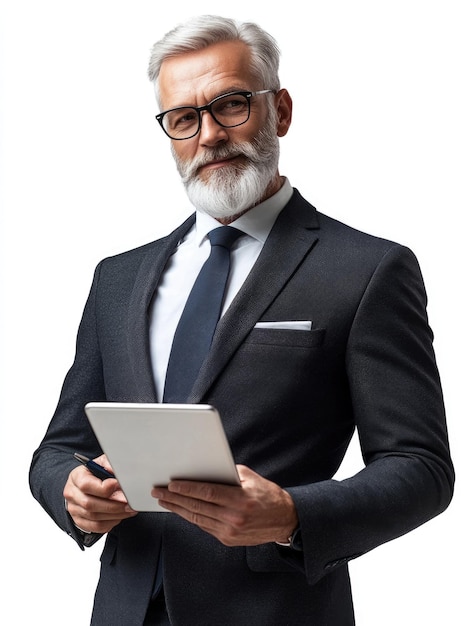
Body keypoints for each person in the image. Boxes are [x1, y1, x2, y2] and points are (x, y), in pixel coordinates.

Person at [29, 14, 454, 626]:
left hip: (275, 610)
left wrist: (291, 515)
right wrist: (71, 491)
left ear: (279, 111)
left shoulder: (367, 269)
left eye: (230, 105)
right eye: (183, 118)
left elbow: (421, 468)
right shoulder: (117, 278)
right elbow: (61, 445)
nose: (208, 136)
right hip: (122, 610)